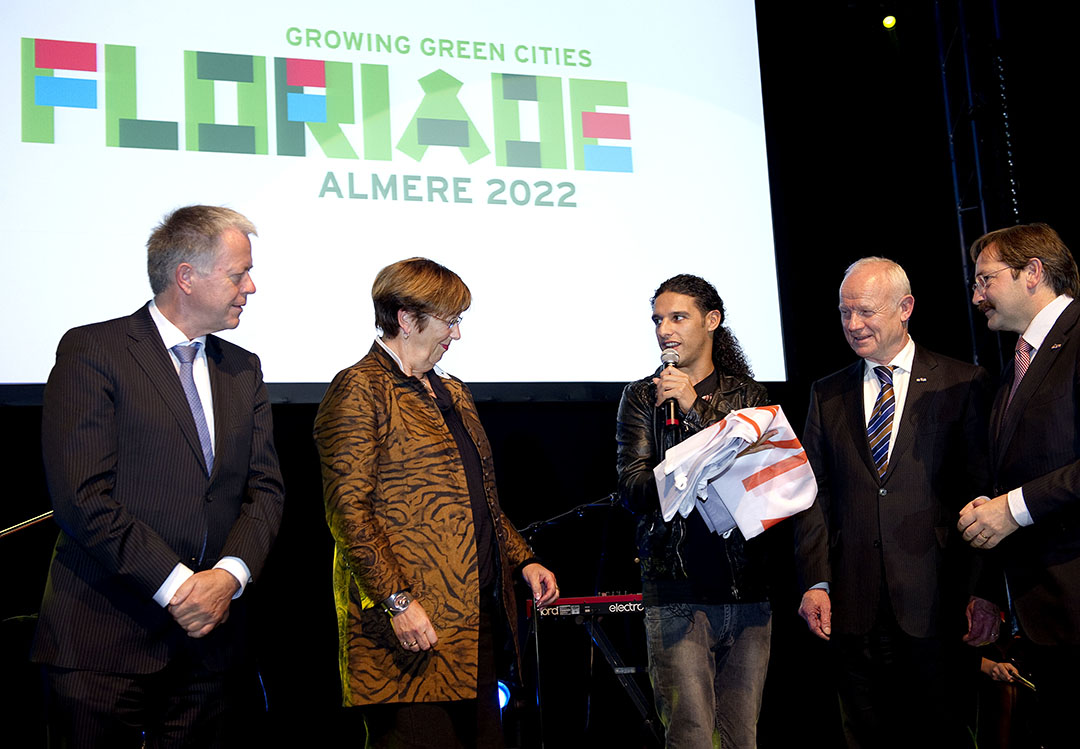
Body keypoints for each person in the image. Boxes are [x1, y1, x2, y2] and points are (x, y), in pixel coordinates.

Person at [32, 205, 285, 747]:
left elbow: (264, 492)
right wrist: (178, 588)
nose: (252, 287)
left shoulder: (244, 369)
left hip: (212, 652)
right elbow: (82, 498)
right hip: (103, 644)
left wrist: (229, 577)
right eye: (238, 273)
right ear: (186, 277)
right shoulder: (93, 351)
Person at [313, 257, 558, 749]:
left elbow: (480, 500)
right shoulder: (360, 388)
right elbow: (349, 514)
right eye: (450, 321)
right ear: (406, 318)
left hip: (471, 625)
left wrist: (522, 558)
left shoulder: (453, 392)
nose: (457, 335)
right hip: (403, 633)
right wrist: (397, 601)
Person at [792, 257, 994, 748]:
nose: (853, 325)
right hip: (853, 608)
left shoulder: (962, 382)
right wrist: (816, 580)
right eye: (844, 313)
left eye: (865, 312)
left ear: (905, 308)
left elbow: (984, 491)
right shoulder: (827, 393)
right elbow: (810, 496)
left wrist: (984, 590)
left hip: (939, 604)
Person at [616, 274, 772, 748]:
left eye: (678, 317)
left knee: (741, 737)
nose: (665, 329)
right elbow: (633, 488)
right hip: (676, 590)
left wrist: (694, 408)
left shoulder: (749, 396)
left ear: (712, 321)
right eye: (658, 320)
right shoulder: (642, 396)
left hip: (747, 592)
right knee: (690, 737)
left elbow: (761, 481)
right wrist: (686, 471)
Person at [959, 223, 1080, 748]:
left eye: (986, 278)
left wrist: (1015, 508)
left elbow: (1022, 498)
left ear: (1033, 273)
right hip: (1043, 617)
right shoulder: (1016, 365)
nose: (976, 294)